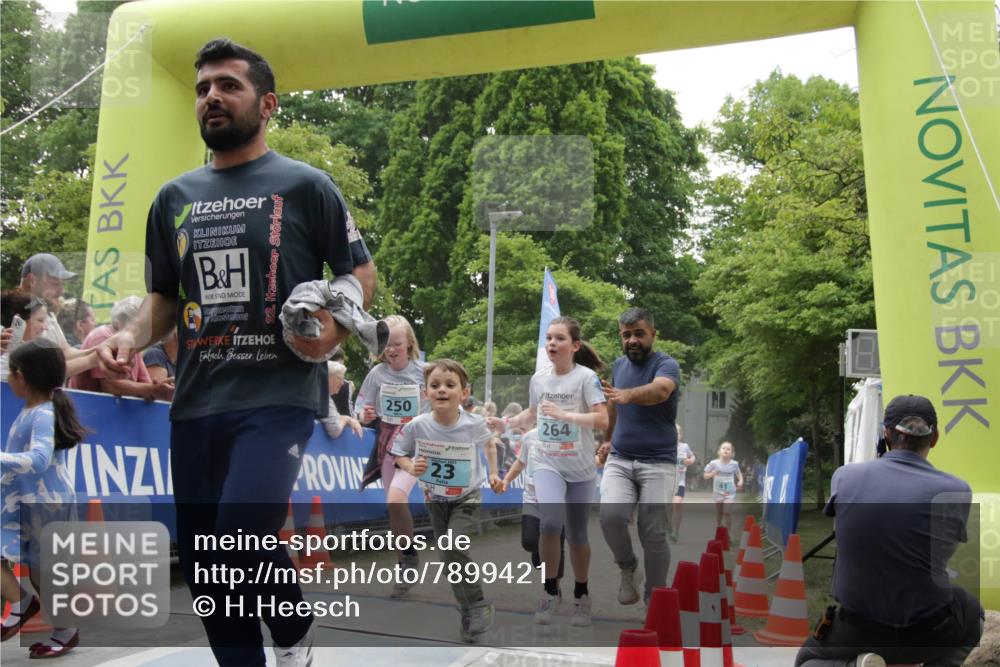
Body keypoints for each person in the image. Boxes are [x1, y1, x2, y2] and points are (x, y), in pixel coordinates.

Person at [94, 38, 376, 667]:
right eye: (203, 89)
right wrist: (128, 337)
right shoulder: (172, 198)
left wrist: (333, 327)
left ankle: (293, 634)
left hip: (277, 394)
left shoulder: (306, 185)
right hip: (197, 401)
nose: (211, 97)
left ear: (267, 104)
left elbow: (359, 271)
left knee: (241, 535)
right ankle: (271, 647)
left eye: (228, 85)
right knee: (207, 567)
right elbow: (163, 299)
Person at [795, 395, 984, 667]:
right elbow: (941, 552)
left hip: (858, 628)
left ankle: (855, 665)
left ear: (885, 433)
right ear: (934, 438)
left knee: (806, 661)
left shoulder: (844, 476)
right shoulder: (957, 490)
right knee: (972, 612)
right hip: (928, 631)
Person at [493, 316, 608, 626]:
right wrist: (506, 423)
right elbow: (531, 414)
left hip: (580, 467)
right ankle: (549, 591)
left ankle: (581, 593)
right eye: (549, 338)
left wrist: (565, 415)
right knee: (550, 524)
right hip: (547, 462)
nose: (552, 344)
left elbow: (602, 420)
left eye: (559, 338)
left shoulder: (586, 378)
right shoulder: (539, 379)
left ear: (575, 345)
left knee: (578, 535)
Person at [392, 359, 500, 643]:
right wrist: (410, 467)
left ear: (464, 393)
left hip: (467, 497)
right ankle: (468, 612)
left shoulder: (473, 424)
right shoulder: (418, 425)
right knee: (447, 558)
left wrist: (493, 473)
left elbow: (489, 443)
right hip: (435, 499)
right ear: (425, 392)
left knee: (453, 546)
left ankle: (478, 604)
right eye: (435, 385)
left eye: (450, 385)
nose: (442, 390)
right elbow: (399, 453)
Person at [1, 341, 87, 657]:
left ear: (21, 377)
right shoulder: (32, 410)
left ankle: (61, 628)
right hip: (24, 504)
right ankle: (23, 604)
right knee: (39, 571)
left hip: (46, 506)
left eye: (9, 371)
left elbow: (38, 460)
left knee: (45, 574)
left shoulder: (43, 413)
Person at [598, 307, 681, 606]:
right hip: (621, 458)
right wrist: (607, 440)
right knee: (610, 517)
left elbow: (661, 391)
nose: (632, 340)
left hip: (658, 461)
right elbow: (613, 404)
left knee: (653, 533)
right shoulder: (619, 365)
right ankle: (629, 568)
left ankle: (655, 601)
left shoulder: (666, 364)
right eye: (626, 335)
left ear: (653, 334)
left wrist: (629, 394)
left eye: (638, 334)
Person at [357, 314, 426, 597]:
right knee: (394, 506)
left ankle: (409, 556)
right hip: (388, 443)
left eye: (397, 343)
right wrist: (364, 415)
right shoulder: (377, 374)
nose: (391, 349)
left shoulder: (424, 372)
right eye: (386, 344)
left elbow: (444, 399)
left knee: (397, 499)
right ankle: (405, 562)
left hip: (417, 445)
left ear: (409, 343)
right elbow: (361, 406)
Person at [497, 428, 566, 599]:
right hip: (532, 498)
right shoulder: (530, 436)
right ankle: (539, 553)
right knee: (529, 542)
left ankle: (553, 589)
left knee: (556, 544)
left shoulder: (570, 435)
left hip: (558, 501)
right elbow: (521, 462)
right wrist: (507, 480)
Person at [72, 296, 173, 402]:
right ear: (124, 320)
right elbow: (110, 387)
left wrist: (156, 389)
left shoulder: (132, 343)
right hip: (89, 405)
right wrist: (151, 389)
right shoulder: (102, 336)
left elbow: (145, 382)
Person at [703, 441, 742, 533]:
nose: (726, 450)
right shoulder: (713, 463)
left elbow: (738, 473)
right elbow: (705, 475)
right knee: (719, 512)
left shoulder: (734, 464)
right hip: (718, 492)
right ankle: (719, 526)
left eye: (728, 449)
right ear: (719, 451)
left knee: (727, 512)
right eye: (723, 448)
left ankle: (728, 534)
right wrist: (712, 473)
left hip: (729, 493)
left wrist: (741, 481)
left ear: (732, 453)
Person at [319, 360, 363, 439]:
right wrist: (346, 419)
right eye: (339, 378)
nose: (342, 383)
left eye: (343, 379)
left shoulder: (321, 393)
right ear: (327, 376)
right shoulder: (322, 396)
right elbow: (335, 430)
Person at [671, 424, 696, 542]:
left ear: (681, 435)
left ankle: (675, 531)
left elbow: (693, 457)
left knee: (677, 504)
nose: (675, 434)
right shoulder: (664, 447)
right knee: (668, 507)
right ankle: (669, 527)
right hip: (667, 482)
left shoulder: (685, 447)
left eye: (678, 432)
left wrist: (690, 461)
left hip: (679, 482)